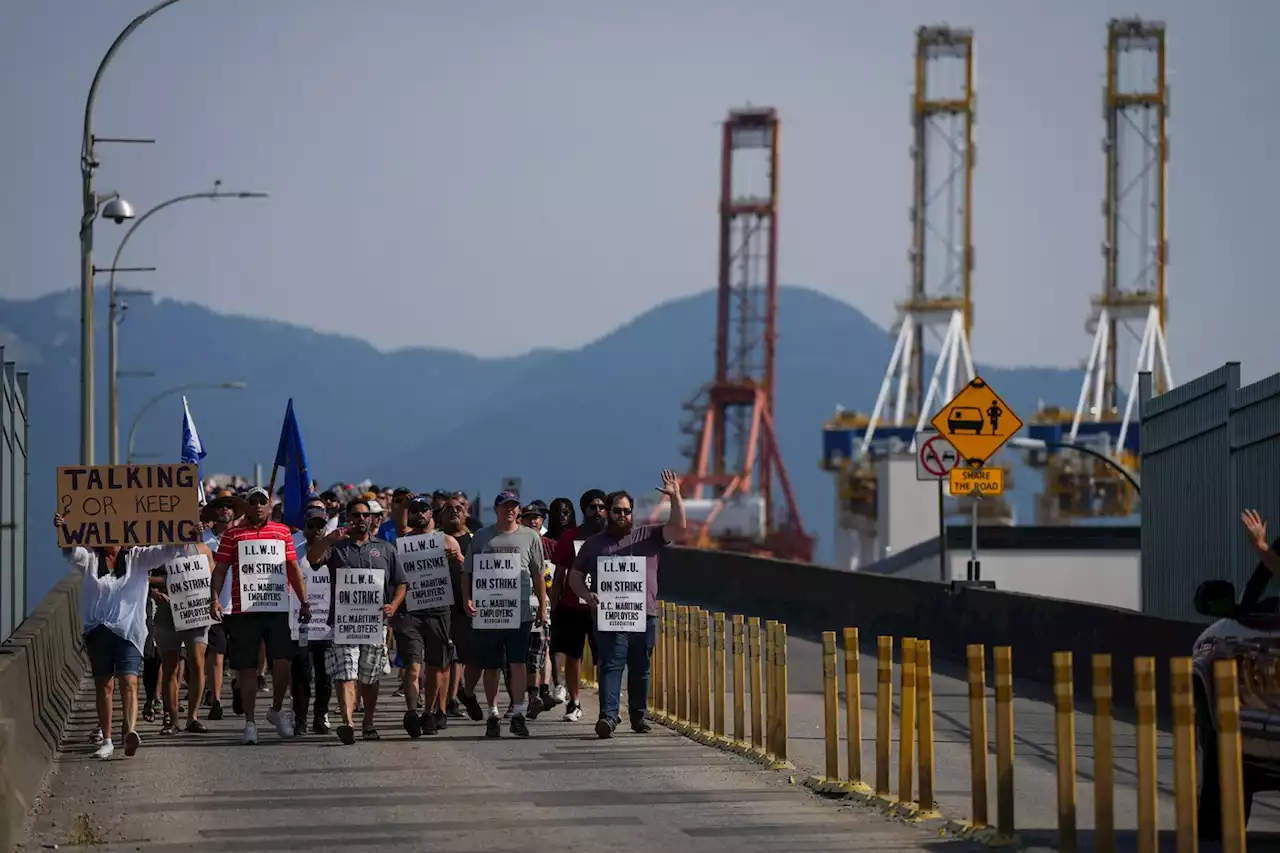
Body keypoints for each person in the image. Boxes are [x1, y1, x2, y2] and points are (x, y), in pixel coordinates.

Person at [53, 512, 190, 759]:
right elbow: (71, 553)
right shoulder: (91, 558)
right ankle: (106, 739)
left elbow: (168, 551)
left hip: (129, 631)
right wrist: (63, 530)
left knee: (130, 682)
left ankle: (130, 731)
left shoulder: (138, 557)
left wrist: (185, 531)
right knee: (105, 685)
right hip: (98, 630)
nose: (112, 538)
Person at [570, 469, 686, 739]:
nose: (623, 516)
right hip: (609, 616)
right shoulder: (594, 544)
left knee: (640, 668)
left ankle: (638, 716)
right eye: (618, 511)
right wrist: (587, 595)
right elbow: (575, 576)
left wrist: (676, 497)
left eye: (627, 511)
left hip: (644, 615)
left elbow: (679, 528)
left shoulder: (650, 536)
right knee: (611, 665)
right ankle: (608, 717)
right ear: (608, 512)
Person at [210, 486, 311, 744]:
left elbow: (292, 568)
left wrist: (305, 600)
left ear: (269, 506)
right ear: (245, 506)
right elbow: (220, 569)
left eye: (261, 502)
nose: (257, 506)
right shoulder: (233, 534)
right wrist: (214, 599)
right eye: (252, 501)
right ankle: (250, 722)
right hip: (244, 610)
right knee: (247, 668)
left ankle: (276, 710)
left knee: (282, 663)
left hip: (276, 608)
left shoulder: (282, 531)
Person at [306, 498, 408, 744]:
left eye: (365, 515)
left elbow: (401, 582)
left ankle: (369, 722)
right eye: (355, 515)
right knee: (345, 674)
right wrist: (329, 539)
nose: (360, 520)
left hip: (374, 624)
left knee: (369, 677)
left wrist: (393, 605)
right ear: (347, 518)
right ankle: (347, 723)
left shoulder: (385, 549)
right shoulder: (337, 548)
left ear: (372, 518)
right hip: (343, 623)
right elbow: (312, 559)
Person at [460, 491, 546, 738]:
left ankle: (518, 712)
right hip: (488, 611)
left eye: (514, 506)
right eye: (505, 506)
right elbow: (468, 572)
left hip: (519, 611)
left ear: (518, 510)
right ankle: (493, 713)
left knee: (518, 662)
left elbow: (538, 573)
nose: (510, 510)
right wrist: (467, 598)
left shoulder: (531, 537)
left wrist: (541, 605)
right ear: (496, 508)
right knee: (491, 665)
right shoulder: (482, 537)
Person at [392, 494, 465, 736]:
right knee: (414, 666)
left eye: (424, 510)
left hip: (438, 609)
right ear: (409, 515)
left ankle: (431, 711)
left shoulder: (446, 541)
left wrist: (458, 560)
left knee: (437, 666)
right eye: (414, 511)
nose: (419, 514)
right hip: (410, 611)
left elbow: (465, 572)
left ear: (431, 514)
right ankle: (412, 712)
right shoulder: (400, 544)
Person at [148, 539, 218, 735]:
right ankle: (172, 719)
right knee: (170, 665)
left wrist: (215, 601)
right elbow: (143, 576)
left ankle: (192, 717)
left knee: (197, 662)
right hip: (166, 612)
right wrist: (154, 592)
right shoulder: (159, 550)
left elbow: (213, 577)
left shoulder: (203, 549)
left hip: (196, 612)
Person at [550, 489, 607, 722]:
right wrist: (554, 607)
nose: (598, 511)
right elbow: (559, 574)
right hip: (573, 607)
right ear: (583, 510)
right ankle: (574, 702)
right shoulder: (569, 538)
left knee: (605, 658)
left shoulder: (614, 537)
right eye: (592, 507)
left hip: (604, 609)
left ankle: (608, 705)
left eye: (602, 507)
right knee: (573, 657)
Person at [200, 491, 244, 720]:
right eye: (220, 506)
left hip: (239, 605)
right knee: (215, 653)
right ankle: (216, 699)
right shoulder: (203, 538)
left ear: (235, 512)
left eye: (229, 506)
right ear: (215, 512)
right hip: (213, 602)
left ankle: (238, 687)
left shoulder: (242, 537)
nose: (225, 509)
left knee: (240, 654)